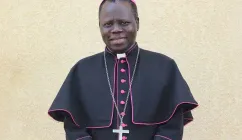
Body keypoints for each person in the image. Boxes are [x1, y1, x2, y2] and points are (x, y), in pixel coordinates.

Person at [47, 0, 199, 140]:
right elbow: (74, 128)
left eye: (124, 22)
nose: (116, 30)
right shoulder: (81, 71)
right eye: (108, 24)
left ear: (137, 23)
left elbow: (172, 128)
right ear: (99, 26)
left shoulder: (165, 67)